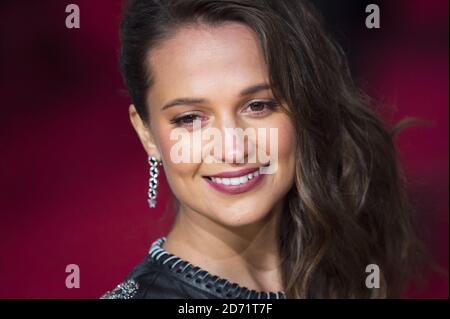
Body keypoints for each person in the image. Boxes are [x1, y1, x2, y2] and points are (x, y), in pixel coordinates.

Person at [101, 0, 423, 299]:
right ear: (147, 133)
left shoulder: (339, 266)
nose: (233, 148)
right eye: (190, 118)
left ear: (301, 108)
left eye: (258, 106)